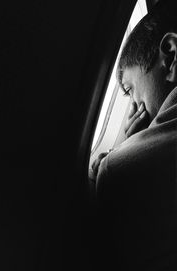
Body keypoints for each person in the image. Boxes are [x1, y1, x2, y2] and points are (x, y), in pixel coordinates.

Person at [90, 0, 177, 269]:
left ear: (171, 56)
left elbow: (112, 172)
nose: (134, 109)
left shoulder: (123, 170)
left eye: (129, 91)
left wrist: (124, 147)